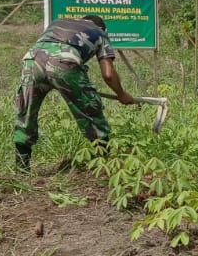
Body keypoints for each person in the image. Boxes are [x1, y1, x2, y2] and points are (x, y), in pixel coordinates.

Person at [12, 13, 134, 170]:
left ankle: (21, 169)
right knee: (91, 110)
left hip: (32, 60)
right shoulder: (100, 32)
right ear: (103, 28)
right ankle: (106, 164)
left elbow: (47, 52)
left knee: (26, 113)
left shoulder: (57, 23)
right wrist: (121, 94)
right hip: (65, 60)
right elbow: (108, 74)